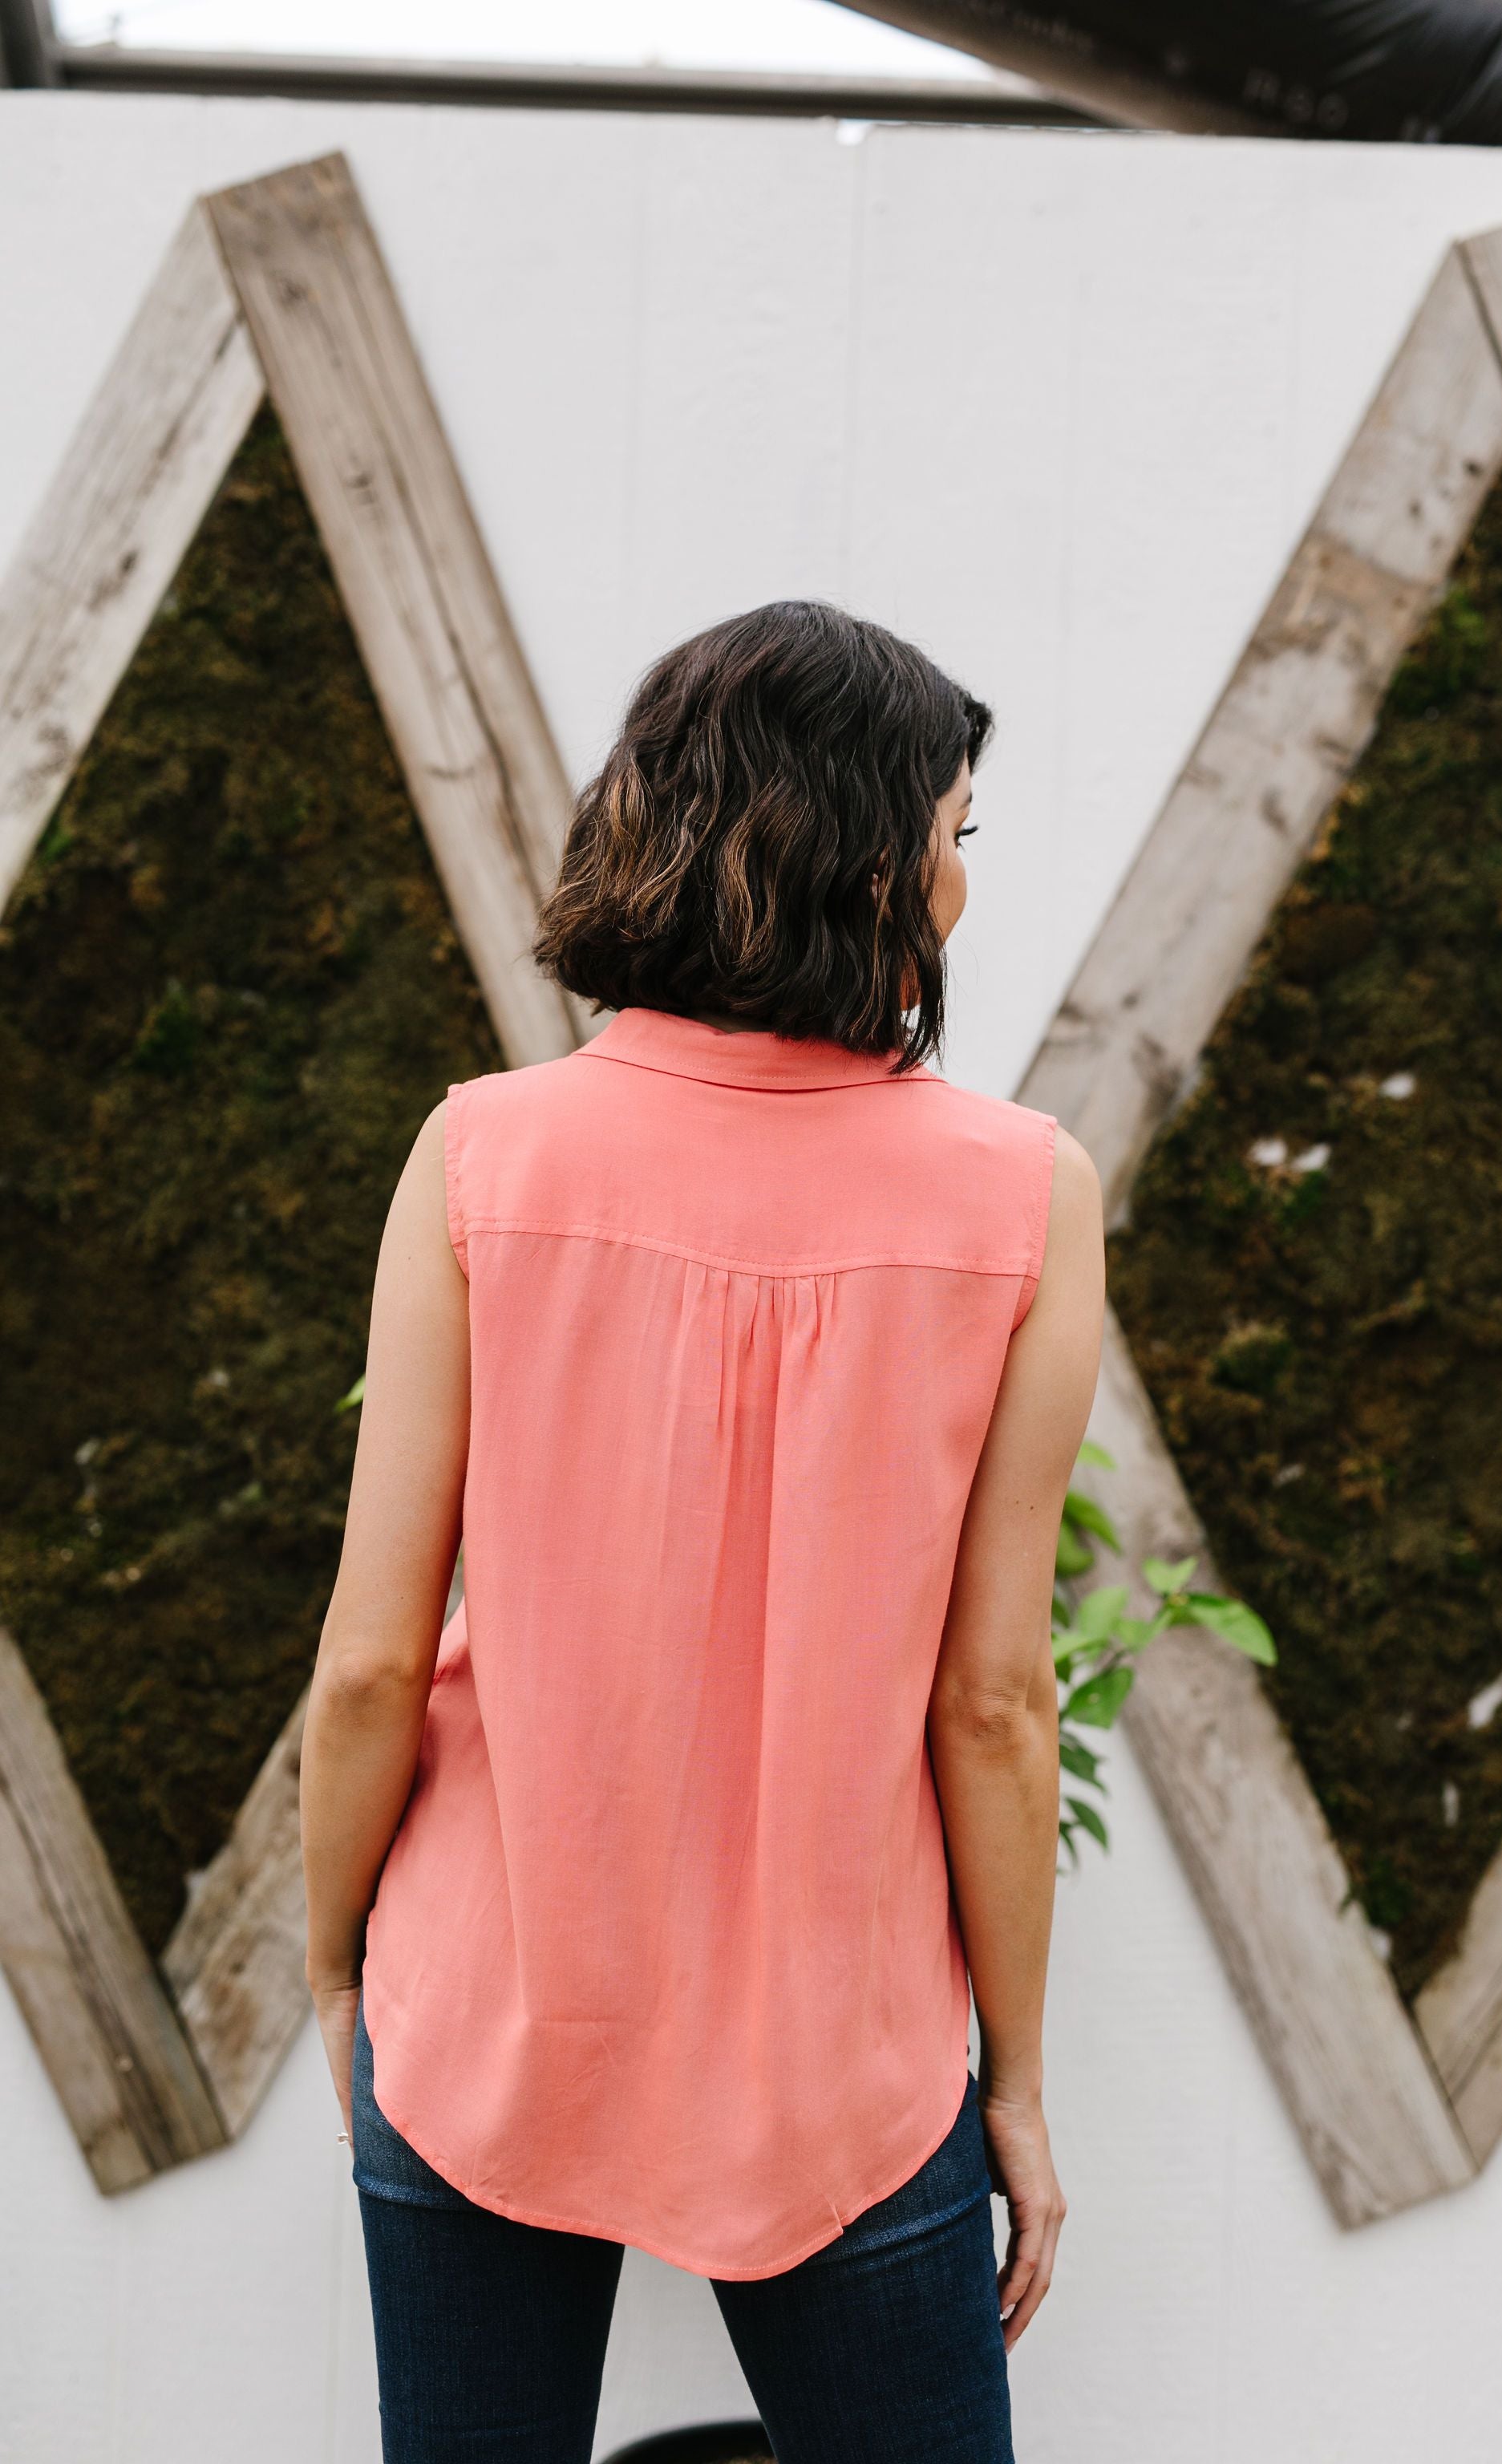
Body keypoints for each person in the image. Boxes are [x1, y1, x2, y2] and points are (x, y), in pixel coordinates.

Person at [300, 601, 1106, 2464]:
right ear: (866, 853)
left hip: (483, 2017)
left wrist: (342, 1966)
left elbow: (367, 1663)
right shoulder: (1024, 1200)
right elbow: (993, 1701)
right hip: (850, 2060)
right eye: (953, 833)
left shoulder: (482, 1156)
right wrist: (1021, 2086)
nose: (959, 885)